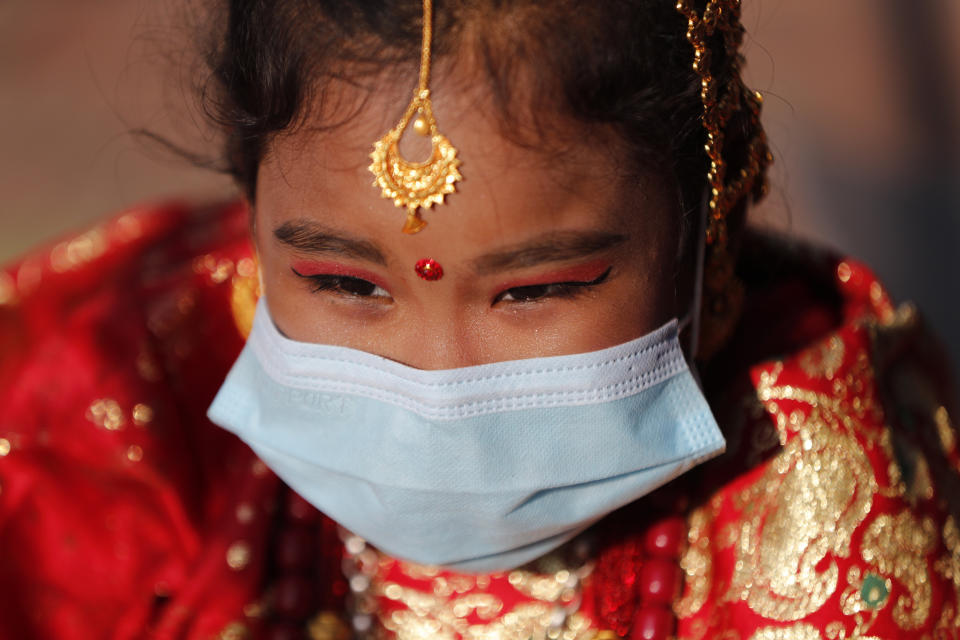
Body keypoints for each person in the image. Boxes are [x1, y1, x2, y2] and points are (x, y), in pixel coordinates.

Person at [0, 1, 957, 639]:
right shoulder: (116, 399)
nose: (436, 380)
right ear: (251, 216)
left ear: (707, 240)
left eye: (537, 291)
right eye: (344, 283)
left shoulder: (832, 508)